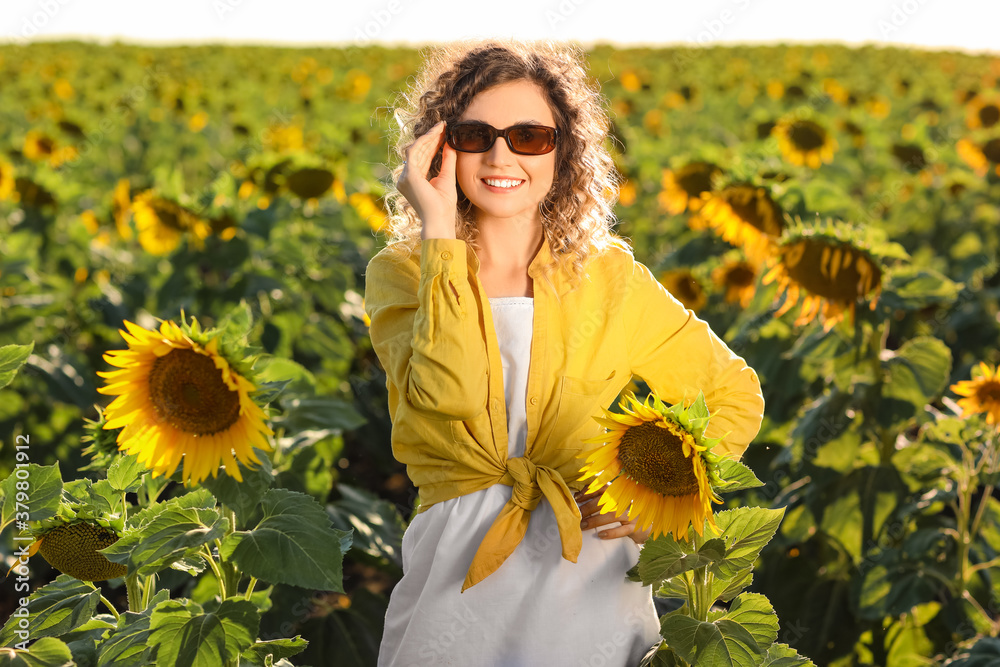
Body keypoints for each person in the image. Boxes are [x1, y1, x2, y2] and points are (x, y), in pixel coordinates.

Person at [364, 39, 765, 666]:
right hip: (457, 574)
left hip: (592, 574)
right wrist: (440, 233)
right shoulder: (403, 272)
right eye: (475, 135)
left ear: (564, 150)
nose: (501, 155)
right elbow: (450, 397)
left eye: (529, 136)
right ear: (441, 148)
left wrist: (657, 496)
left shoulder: (608, 278)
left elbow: (732, 394)